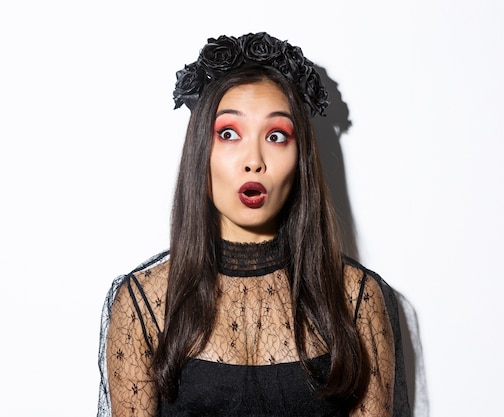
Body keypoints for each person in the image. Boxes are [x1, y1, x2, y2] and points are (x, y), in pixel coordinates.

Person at [96, 32, 411, 417]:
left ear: (301, 158)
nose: (254, 161)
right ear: (201, 152)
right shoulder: (144, 303)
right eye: (229, 134)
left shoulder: (355, 299)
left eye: (277, 136)